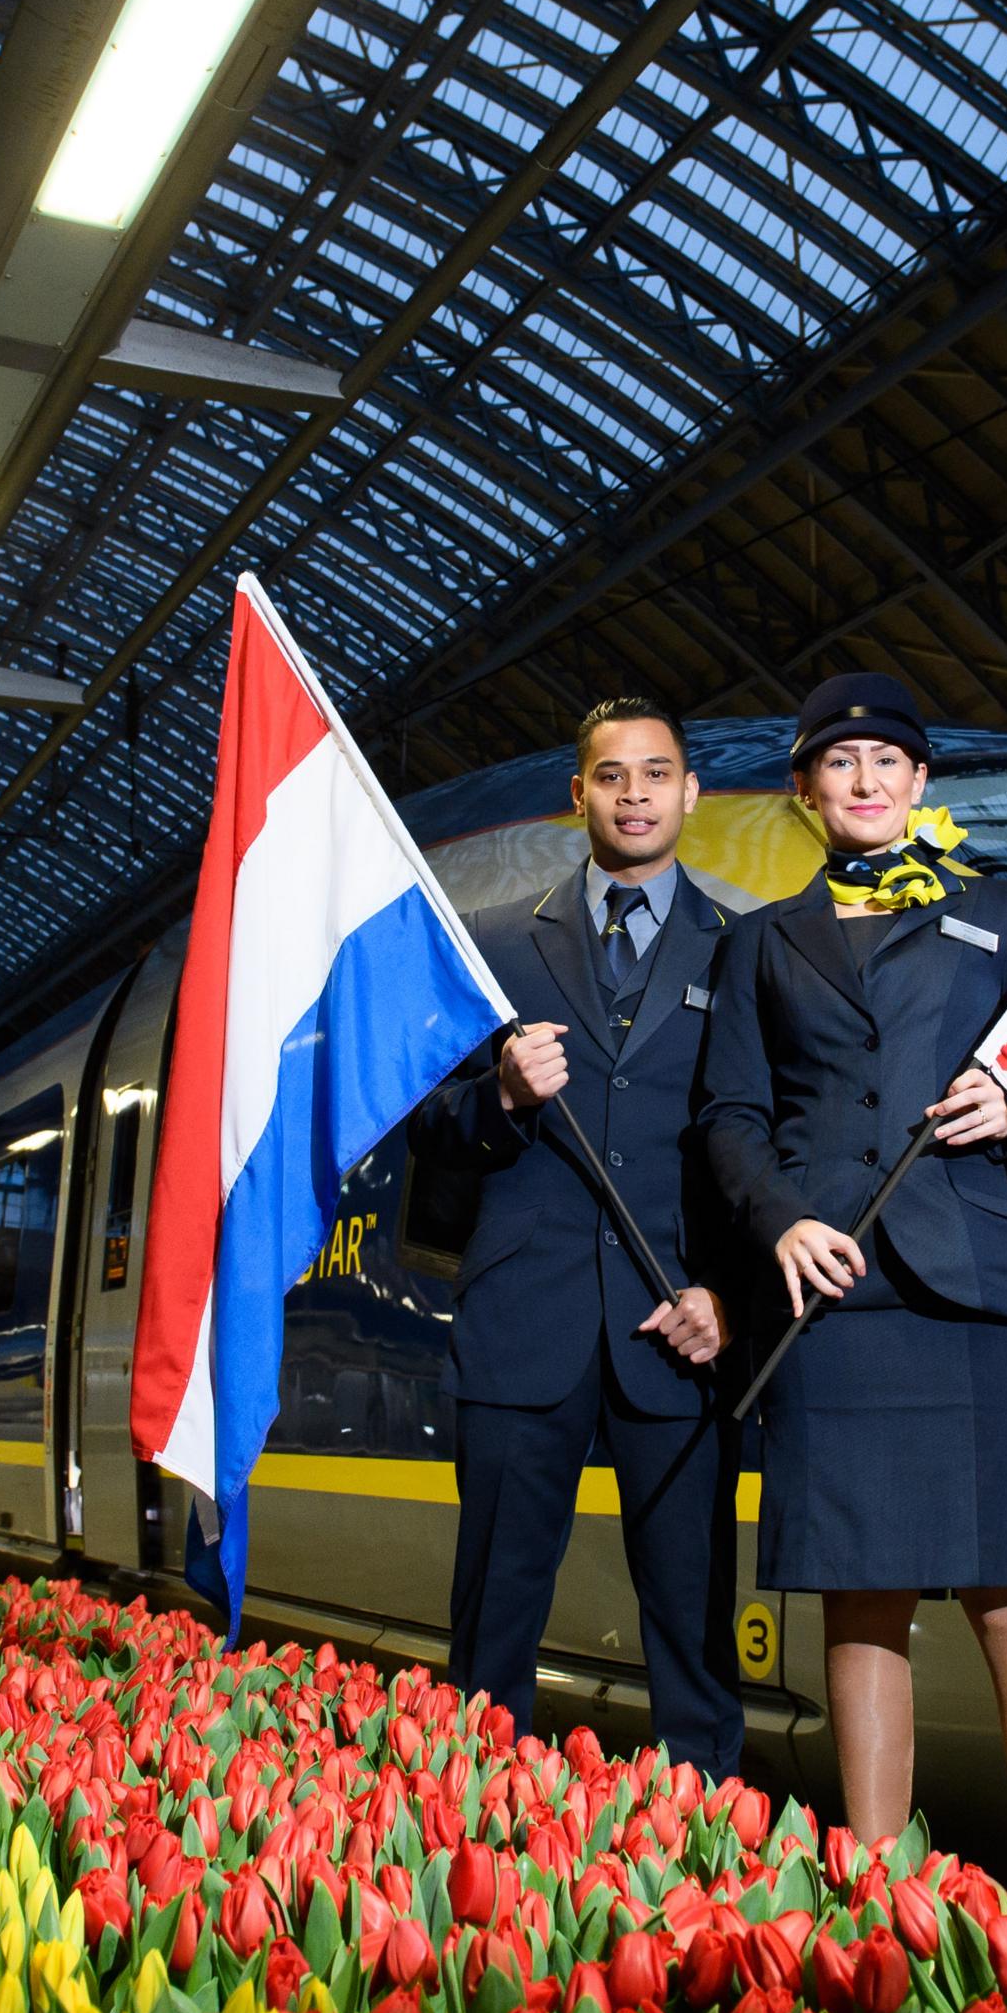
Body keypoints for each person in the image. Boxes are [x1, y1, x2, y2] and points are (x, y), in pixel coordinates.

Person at [696, 670, 1007, 1862]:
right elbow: (727, 1115)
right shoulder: (759, 945)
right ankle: (873, 1883)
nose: (865, 780)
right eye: (838, 762)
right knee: (860, 1595)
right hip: (837, 1294)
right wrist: (779, 1224)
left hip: (984, 1287)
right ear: (803, 792)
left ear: (921, 782)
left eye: (887, 761)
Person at [407, 699, 743, 1775]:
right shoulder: (498, 942)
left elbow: (759, 1151)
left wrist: (727, 1291)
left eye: (656, 774)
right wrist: (498, 1096)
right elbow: (429, 1129)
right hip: (524, 1325)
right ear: (579, 796)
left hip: (674, 1328)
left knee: (694, 1631)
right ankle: (476, 1841)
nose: (634, 794)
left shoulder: (745, 954)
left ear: (690, 793)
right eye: (612, 776)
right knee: (495, 1617)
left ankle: (705, 1852)